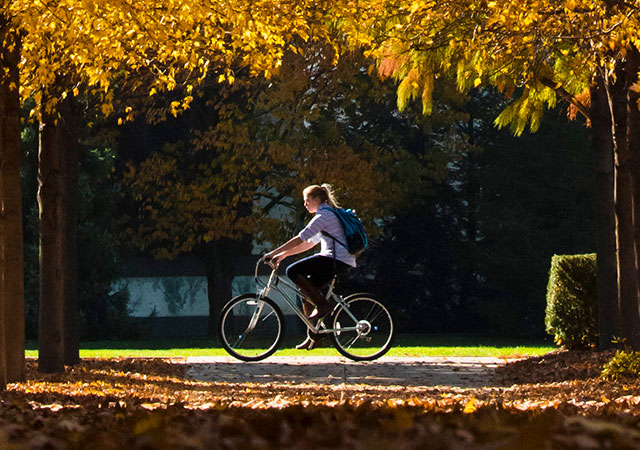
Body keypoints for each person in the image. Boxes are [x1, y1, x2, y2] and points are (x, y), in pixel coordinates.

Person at [263, 184, 356, 350]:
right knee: (305, 291)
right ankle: (315, 336)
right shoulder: (327, 215)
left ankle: (324, 305)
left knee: (292, 271)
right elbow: (309, 243)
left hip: (335, 259)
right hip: (334, 258)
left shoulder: (324, 216)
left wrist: (273, 252)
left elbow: (300, 238)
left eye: (307, 200)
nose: (305, 204)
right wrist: (283, 255)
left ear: (317, 200)